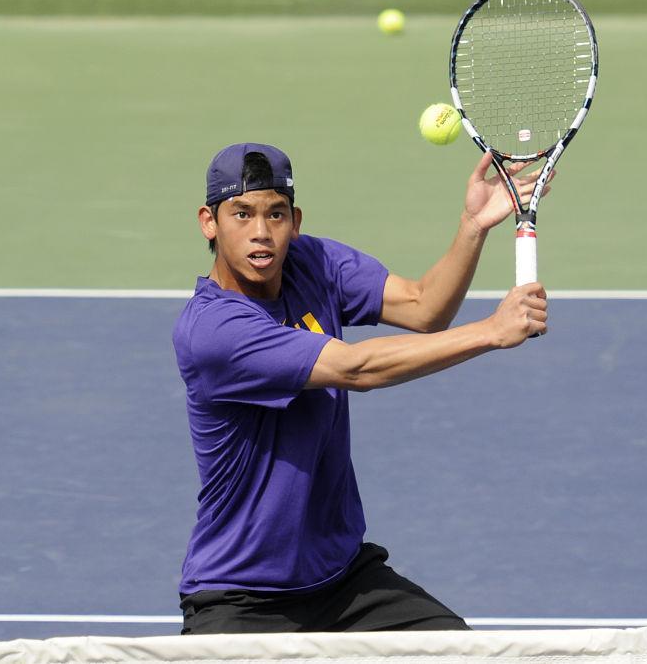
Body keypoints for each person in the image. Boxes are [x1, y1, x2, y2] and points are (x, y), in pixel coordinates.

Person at [172, 142, 549, 634]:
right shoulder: (213, 331)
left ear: (296, 220)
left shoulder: (313, 263)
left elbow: (423, 307)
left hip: (344, 582)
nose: (261, 233)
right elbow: (356, 368)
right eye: (242, 214)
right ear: (209, 222)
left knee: (461, 652)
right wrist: (491, 331)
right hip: (243, 597)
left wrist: (473, 226)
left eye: (275, 214)